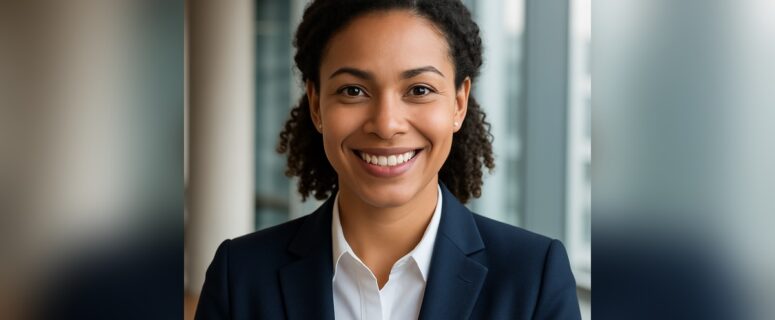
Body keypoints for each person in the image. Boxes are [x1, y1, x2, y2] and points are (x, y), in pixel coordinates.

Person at [195, 0, 581, 319]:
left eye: (419, 89)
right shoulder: (240, 276)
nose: (386, 124)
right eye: (353, 90)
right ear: (315, 104)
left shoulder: (534, 278)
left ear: (459, 103)